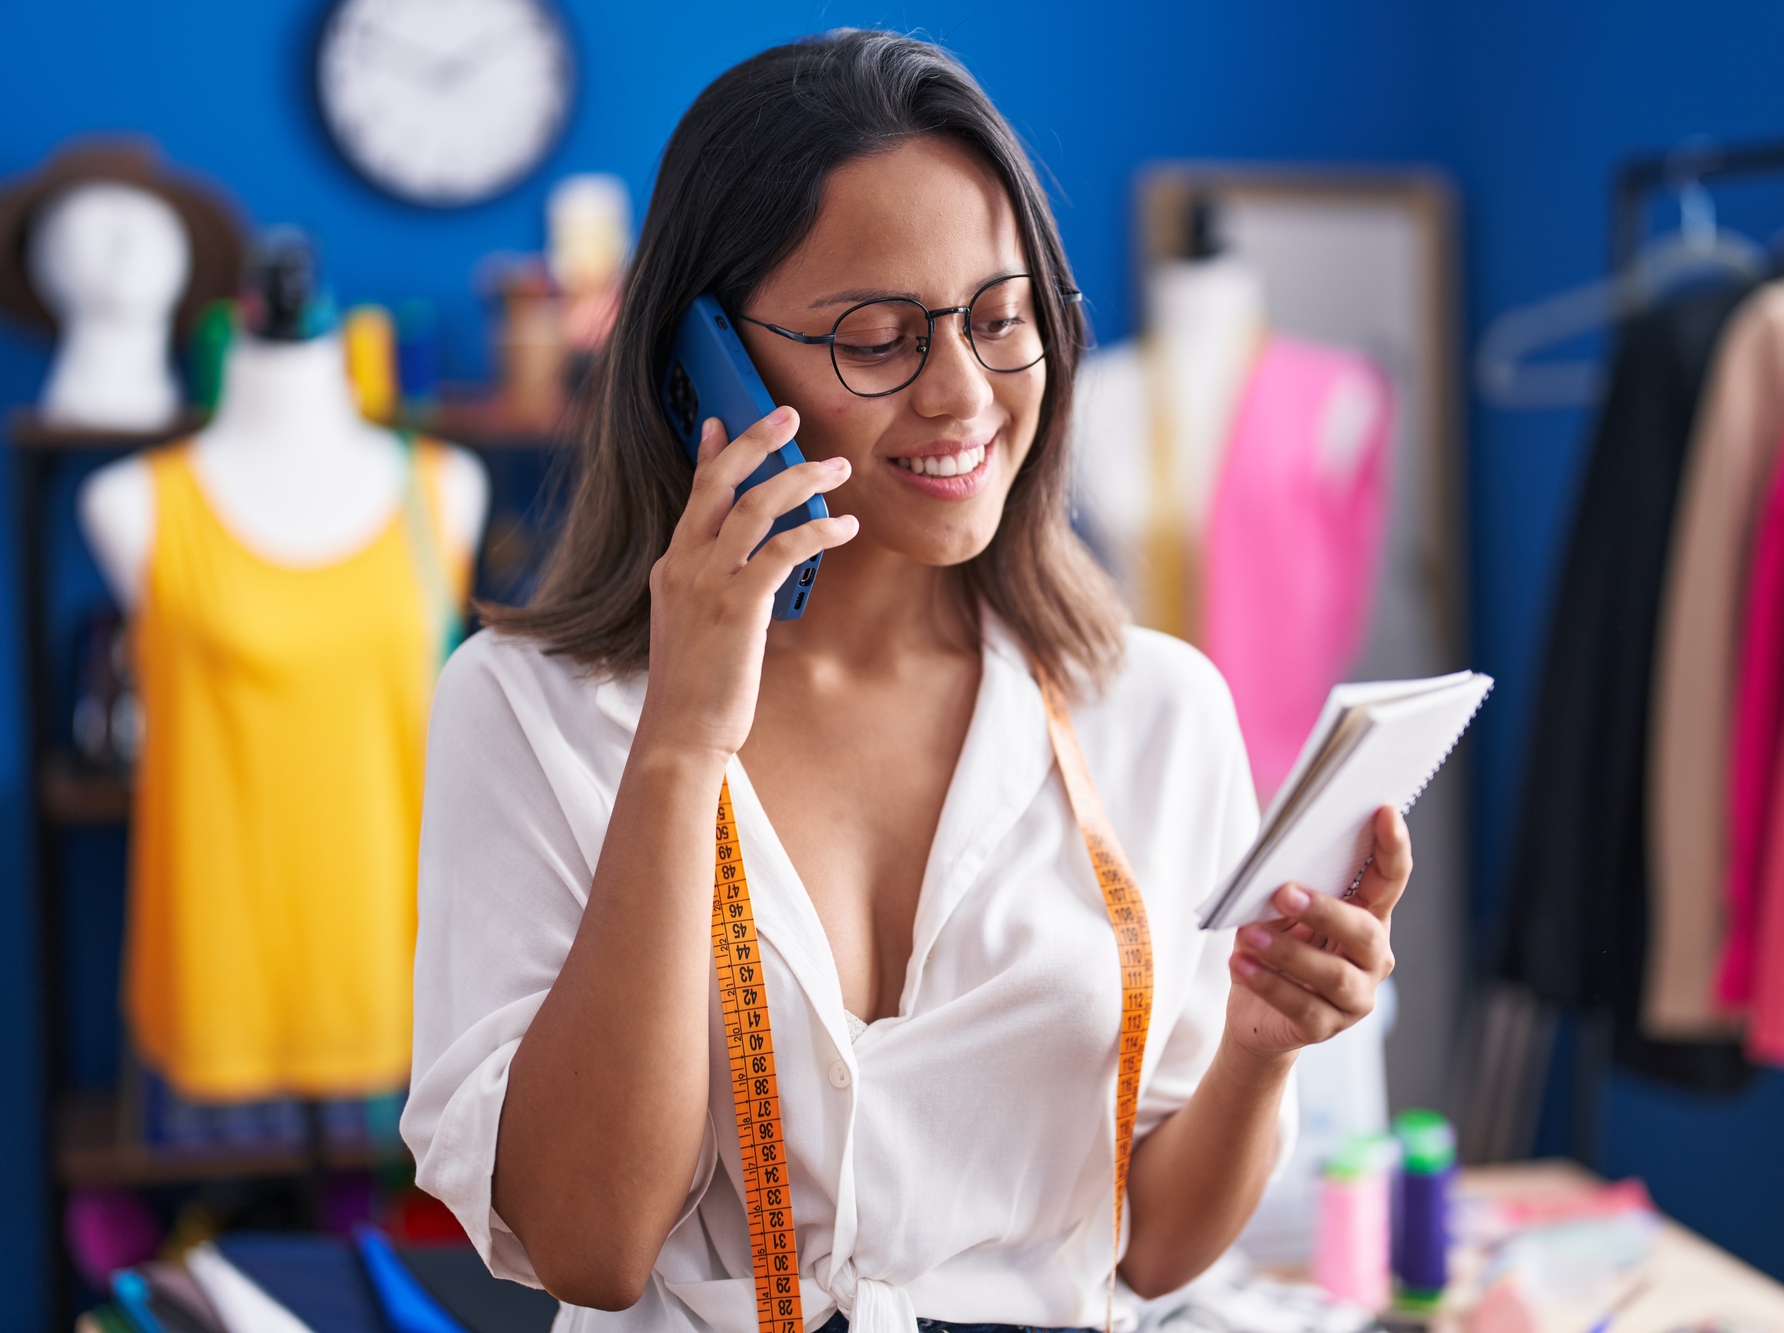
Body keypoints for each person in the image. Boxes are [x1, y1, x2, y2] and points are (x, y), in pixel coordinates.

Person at [402, 29, 1410, 1333]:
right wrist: (678, 745)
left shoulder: (1153, 708)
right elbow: (590, 1241)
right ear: (701, 358)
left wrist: (1260, 1056)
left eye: (1003, 320)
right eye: (877, 338)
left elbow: (1151, 1248)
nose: (962, 395)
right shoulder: (527, 710)